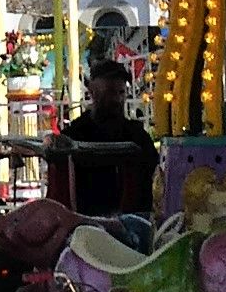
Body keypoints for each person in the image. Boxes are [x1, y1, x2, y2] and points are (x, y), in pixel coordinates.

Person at [49, 56, 160, 222]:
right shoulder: (74, 135)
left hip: (132, 224)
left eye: (121, 93)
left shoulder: (137, 136)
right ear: (92, 92)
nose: (117, 100)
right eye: (110, 93)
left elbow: (154, 179)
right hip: (83, 223)